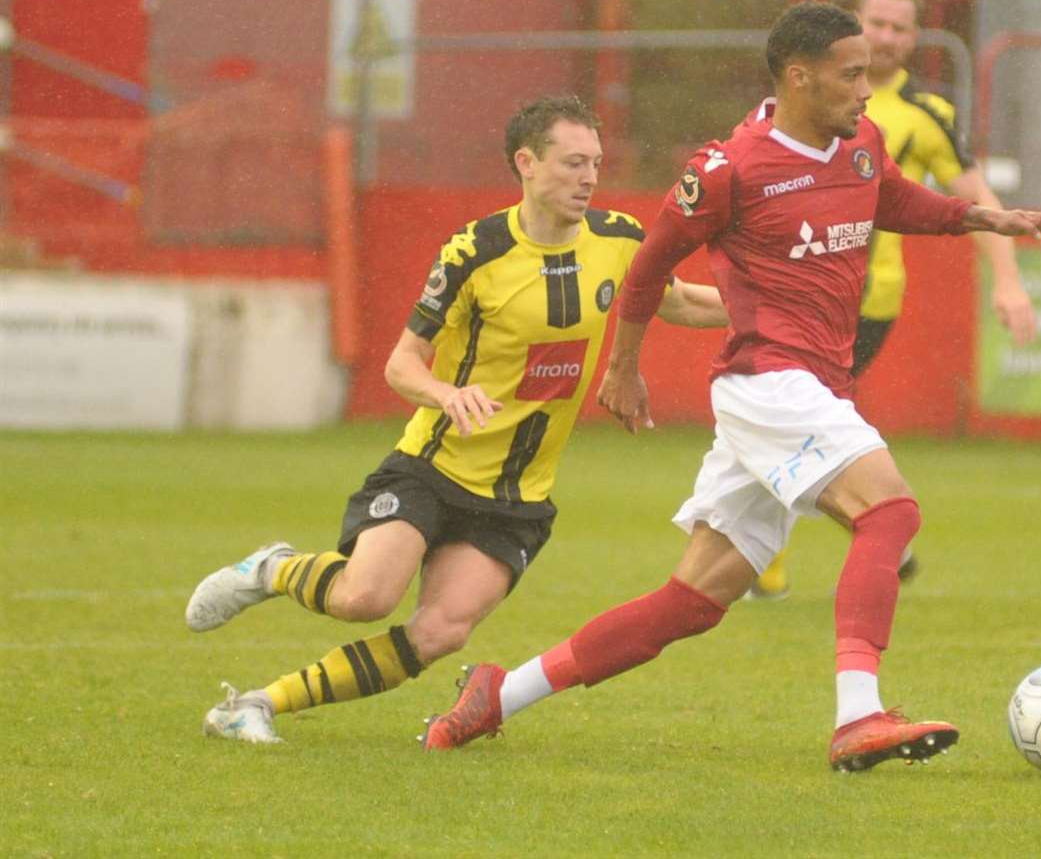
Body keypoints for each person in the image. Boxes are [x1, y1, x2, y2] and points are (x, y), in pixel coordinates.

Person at [420, 2, 1041, 769]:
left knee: (689, 604)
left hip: (810, 386)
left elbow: (890, 198)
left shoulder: (860, 141)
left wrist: (989, 221)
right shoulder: (729, 168)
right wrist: (624, 368)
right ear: (799, 77)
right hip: (768, 378)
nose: (868, 90)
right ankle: (858, 716)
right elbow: (651, 263)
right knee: (890, 511)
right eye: (852, 74)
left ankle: (498, 694)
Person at [185, 95, 728, 744]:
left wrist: (778, 308)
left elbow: (682, 302)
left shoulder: (617, 240)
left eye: (596, 163)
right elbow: (401, 364)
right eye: (572, 162)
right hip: (433, 468)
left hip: (517, 496)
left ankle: (257, 705)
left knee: (440, 631)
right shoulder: (476, 251)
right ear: (526, 163)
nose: (588, 177)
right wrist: (444, 394)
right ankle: (271, 569)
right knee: (365, 598)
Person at [747, 0, 1037, 599]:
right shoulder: (806, 98)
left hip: (867, 302)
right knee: (803, 420)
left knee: (798, 420)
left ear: (915, 38)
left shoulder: (926, 115)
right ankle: (867, 529)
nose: (884, 37)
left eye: (899, 28)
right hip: (797, 292)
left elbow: (973, 198)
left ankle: (815, 542)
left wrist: (1007, 281)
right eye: (875, 23)